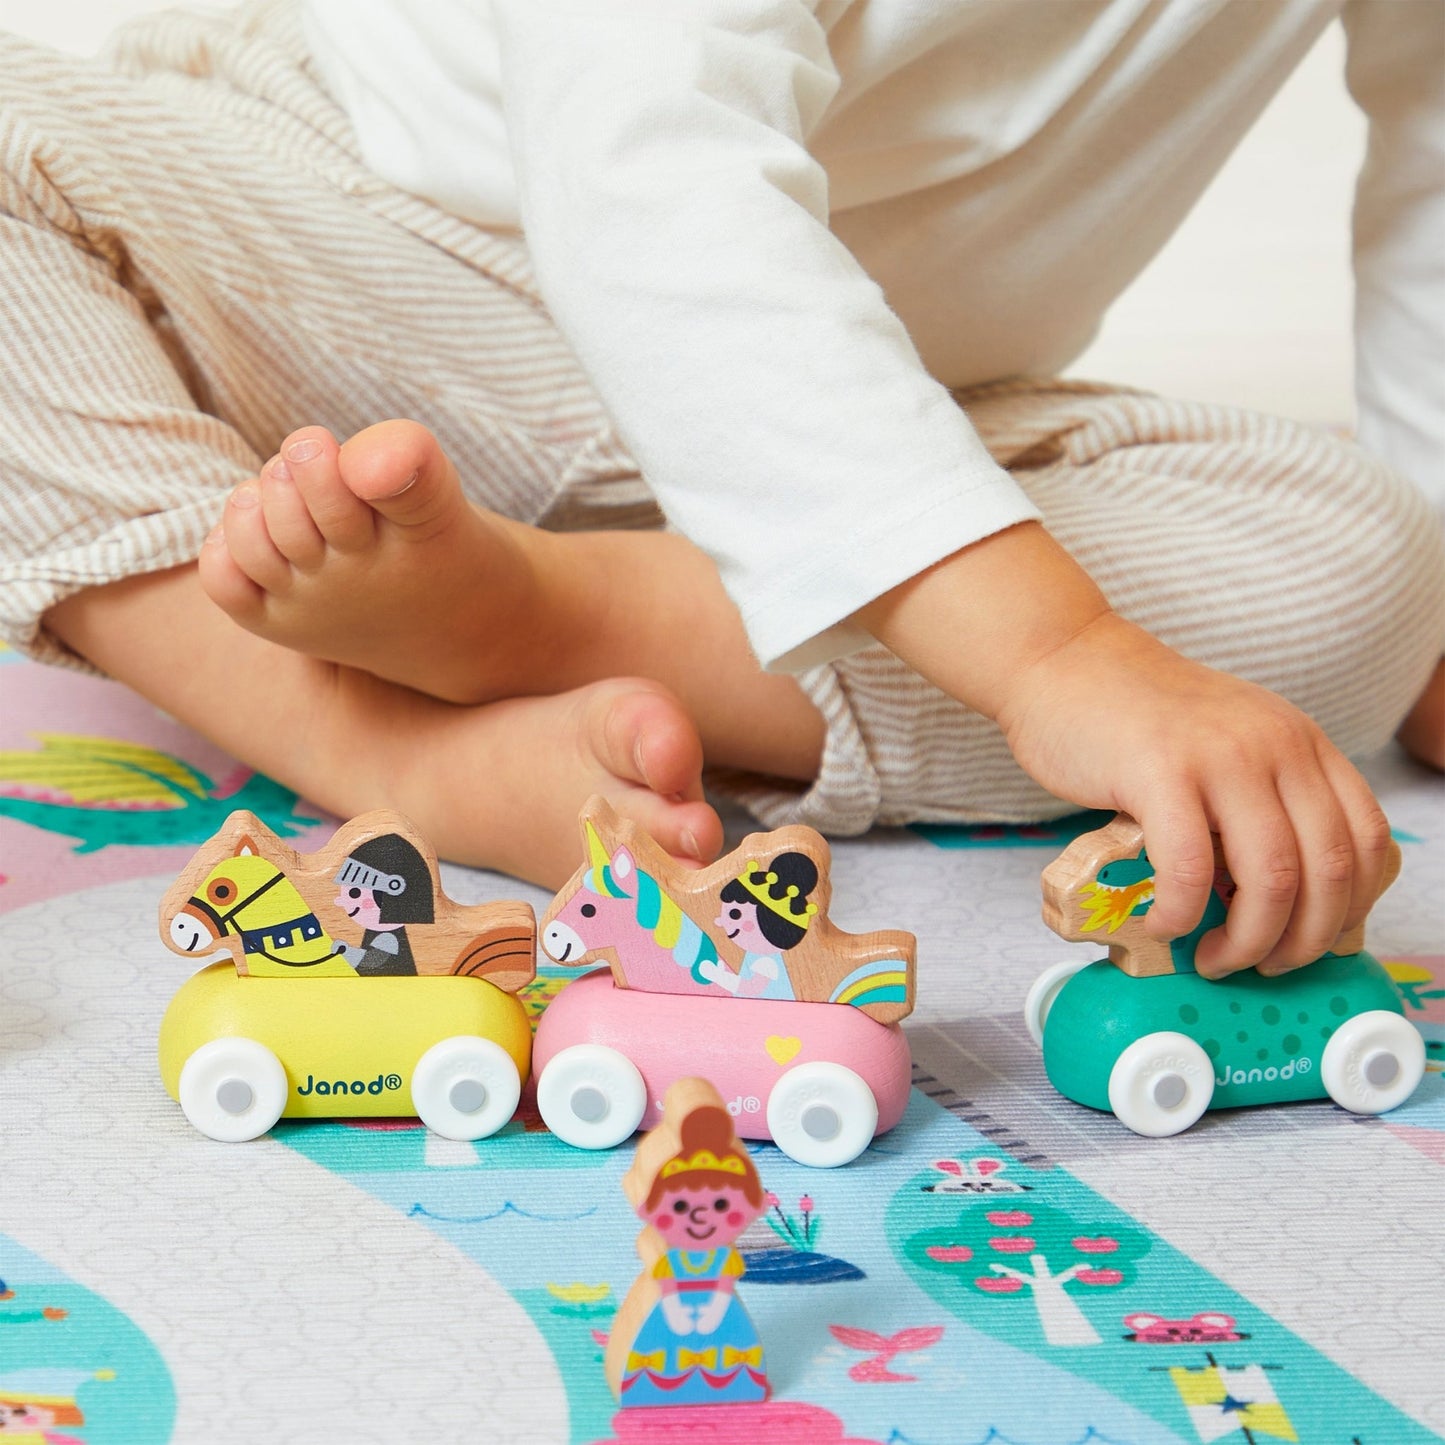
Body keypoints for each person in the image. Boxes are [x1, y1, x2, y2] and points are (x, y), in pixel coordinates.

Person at [1, 0, 1441, 981]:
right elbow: (648, 164)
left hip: (882, 397)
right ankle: (379, 749)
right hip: (361, 261)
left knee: (1374, 557)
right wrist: (1049, 652)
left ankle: (545, 617)